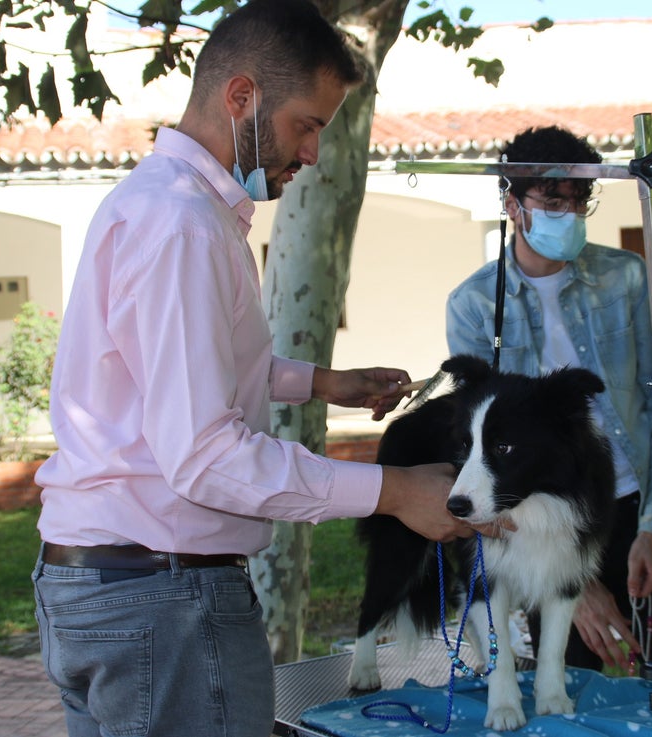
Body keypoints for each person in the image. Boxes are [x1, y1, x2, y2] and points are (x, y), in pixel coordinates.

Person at [31, 2, 486, 735]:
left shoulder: (159, 204)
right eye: (306, 125)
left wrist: (319, 382)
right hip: (164, 597)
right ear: (241, 97)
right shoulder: (185, 226)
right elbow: (205, 456)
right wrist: (395, 491)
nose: (313, 153)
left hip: (105, 585)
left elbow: (177, 367)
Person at [445, 125, 652, 690]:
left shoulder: (627, 277)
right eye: (552, 202)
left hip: (636, 506)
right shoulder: (473, 304)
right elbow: (482, 447)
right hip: (544, 524)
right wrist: (572, 578)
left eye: (578, 201)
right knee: (566, 692)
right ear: (512, 205)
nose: (568, 215)